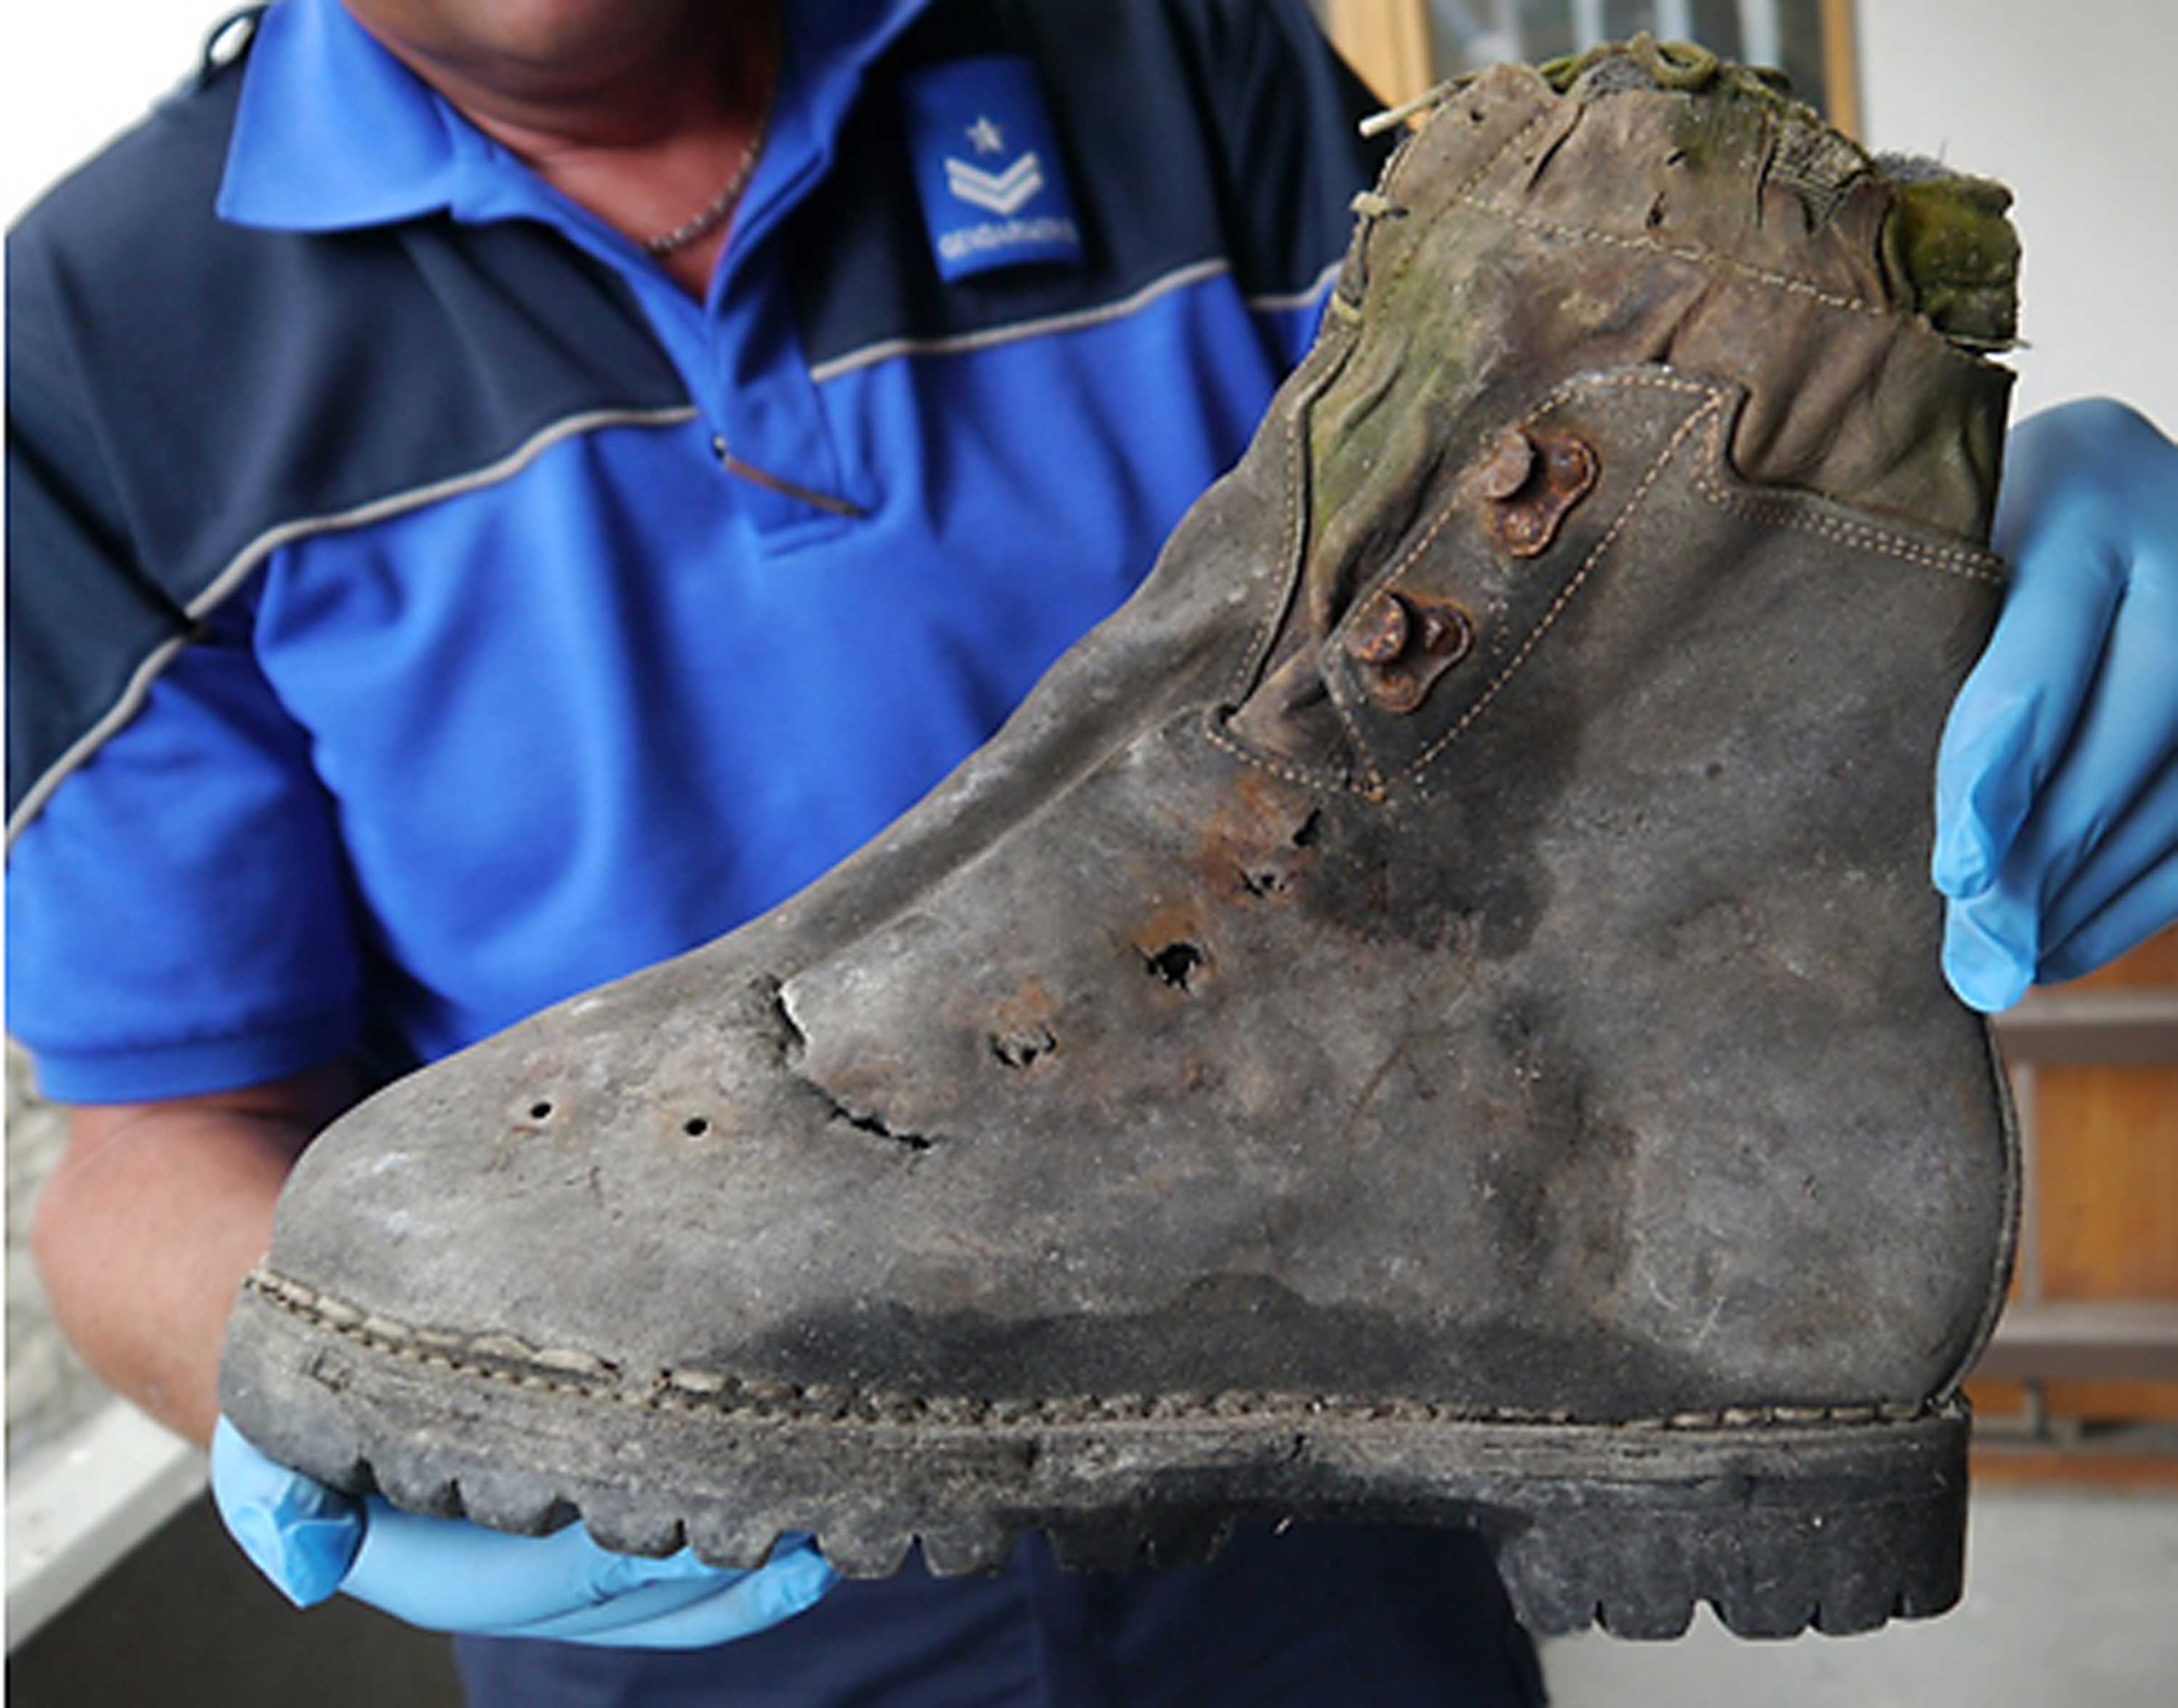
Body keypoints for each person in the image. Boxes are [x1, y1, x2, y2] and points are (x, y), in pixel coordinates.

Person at [6, 1, 2172, 1703]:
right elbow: (148, 1121)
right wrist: (304, 1364)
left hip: (1324, 1450)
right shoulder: (98, 337)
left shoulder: (1159, 54)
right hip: (677, 1549)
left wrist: (1896, 538)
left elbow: (1564, 600)